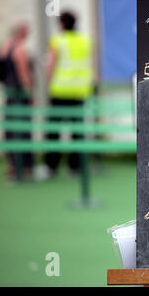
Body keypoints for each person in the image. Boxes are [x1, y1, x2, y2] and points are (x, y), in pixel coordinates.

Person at [44, 11, 93, 176]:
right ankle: (75, 167)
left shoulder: (58, 40)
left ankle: (51, 166)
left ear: (62, 24)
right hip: (79, 91)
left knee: (53, 130)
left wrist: (47, 83)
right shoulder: (84, 40)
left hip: (60, 90)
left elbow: (50, 65)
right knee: (77, 130)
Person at [0, 21, 34, 180]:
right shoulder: (19, 49)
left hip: (9, 93)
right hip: (20, 95)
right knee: (23, 131)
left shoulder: (4, 47)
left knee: (10, 130)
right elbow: (24, 74)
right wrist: (30, 93)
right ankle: (24, 167)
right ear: (21, 32)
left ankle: (11, 165)